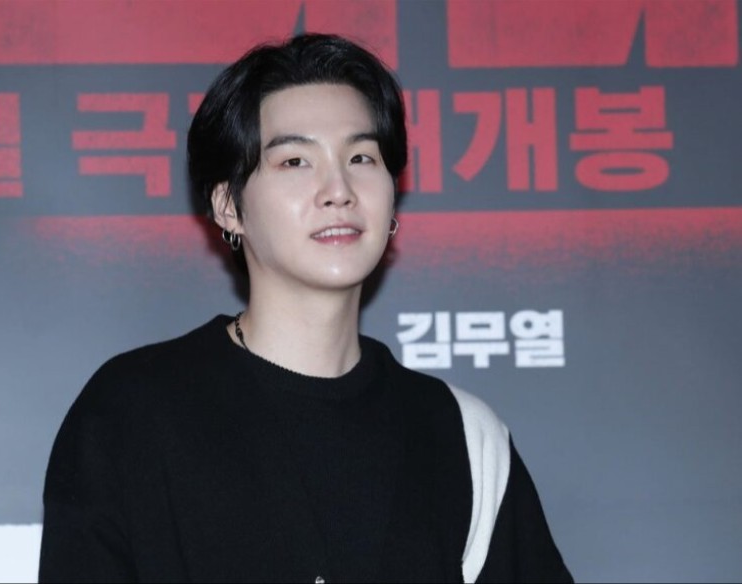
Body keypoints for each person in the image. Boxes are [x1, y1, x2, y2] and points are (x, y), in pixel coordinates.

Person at [38, 33, 572, 583]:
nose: (338, 190)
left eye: (361, 157)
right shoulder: (133, 412)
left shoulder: (460, 434)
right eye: (295, 161)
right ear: (228, 206)